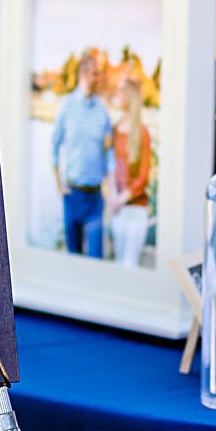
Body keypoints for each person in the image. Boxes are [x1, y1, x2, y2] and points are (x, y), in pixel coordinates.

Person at [52, 50, 113, 257]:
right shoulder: (66, 107)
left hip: (95, 199)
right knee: (73, 258)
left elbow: (109, 153)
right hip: (72, 196)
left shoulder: (103, 111)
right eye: (96, 73)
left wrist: (109, 189)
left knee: (96, 258)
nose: (99, 78)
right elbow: (53, 147)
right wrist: (59, 185)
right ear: (84, 75)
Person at [105, 77, 155, 269]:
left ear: (130, 96)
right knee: (118, 263)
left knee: (130, 264)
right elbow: (110, 166)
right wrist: (112, 196)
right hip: (118, 209)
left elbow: (143, 176)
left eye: (120, 91)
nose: (117, 94)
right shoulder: (115, 130)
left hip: (136, 209)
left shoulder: (142, 133)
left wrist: (122, 198)